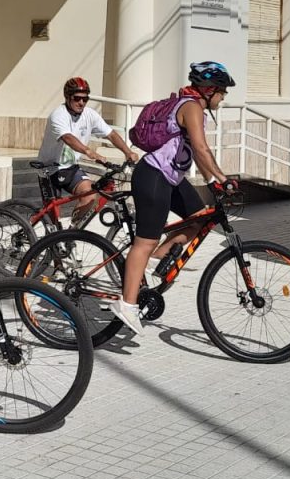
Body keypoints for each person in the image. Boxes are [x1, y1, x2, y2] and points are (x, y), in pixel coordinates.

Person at [110, 61, 235, 335]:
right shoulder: (191, 107)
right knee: (145, 241)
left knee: (200, 220)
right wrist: (223, 179)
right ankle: (128, 303)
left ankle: (156, 258)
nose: (224, 97)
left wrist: (213, 182)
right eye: (222, 91)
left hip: (171, 179)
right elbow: (201, 149)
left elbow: (196, 152)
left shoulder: (194, 107)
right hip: (152, 177)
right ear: (209, 89)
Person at [37, 77, 139, 226]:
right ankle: (44, 239)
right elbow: (68, 137)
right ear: (67, 97)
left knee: (90, 196)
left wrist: (127, 152)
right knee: (51, 219)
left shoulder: (89, 115)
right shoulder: (58, 115)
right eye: (77, 98)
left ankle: (71, 232)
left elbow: (110, 134)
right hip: (49, 169)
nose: (81, 103)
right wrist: (89, 151)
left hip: (71, 168)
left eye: (85, 99)